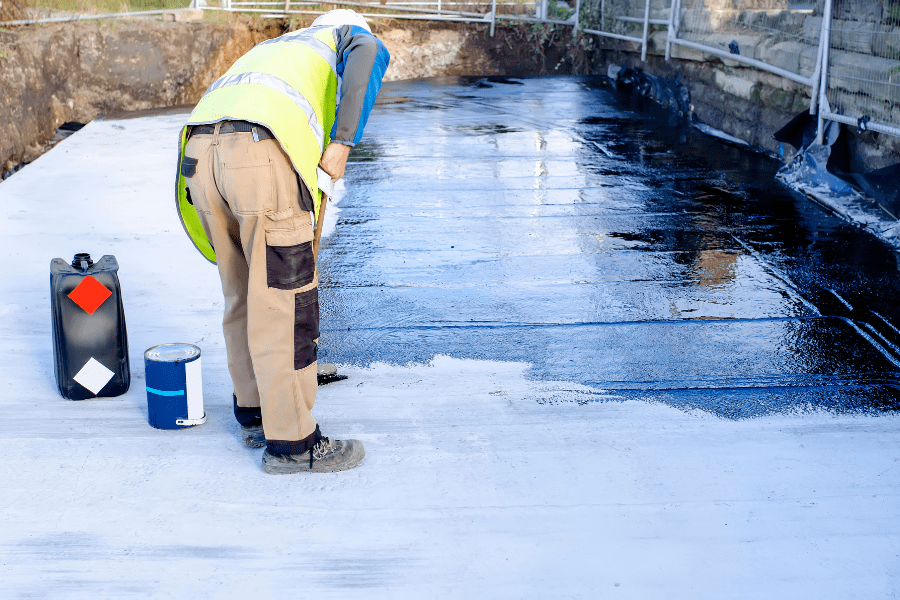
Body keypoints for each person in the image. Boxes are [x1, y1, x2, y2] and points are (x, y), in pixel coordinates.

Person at [174, 10, 390, 474]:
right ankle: (294, 443)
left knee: (242, 291)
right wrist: (343, 144)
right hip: (256, 157)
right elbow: (369, 51)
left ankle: (255, 412)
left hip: (200, 156)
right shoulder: (345, 37)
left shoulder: (279, 49)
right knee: (285, 302)